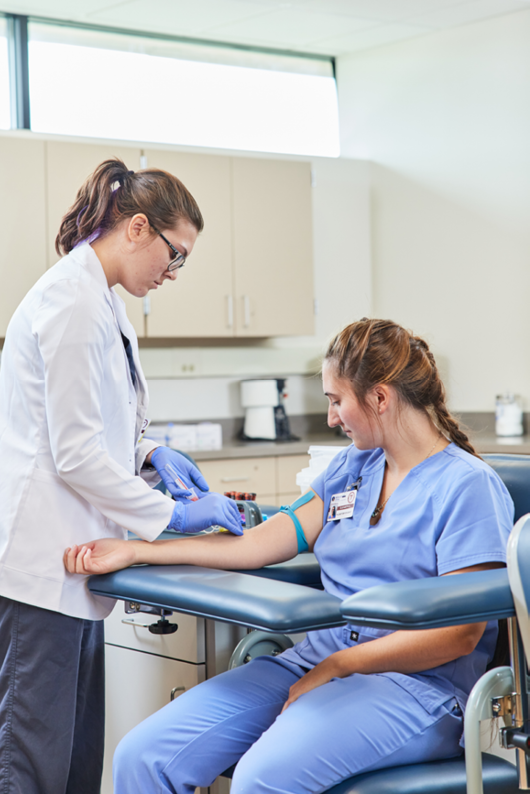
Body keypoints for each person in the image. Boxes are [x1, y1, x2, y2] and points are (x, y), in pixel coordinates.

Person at [65, 318, 514, 794]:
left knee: (262, 778)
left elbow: (460, 634)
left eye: (336, 400)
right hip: (317, 659)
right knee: (142, 756)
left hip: (415, 687)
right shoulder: (352, 468)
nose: (331, 418)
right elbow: (256, 544)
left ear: (380, 398)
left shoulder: (468, 486)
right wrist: (137, 549)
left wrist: (340, 666)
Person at [0, 158, 242, 794]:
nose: (174, 271)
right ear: (137, 227)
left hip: (73, 559)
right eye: (175, 253)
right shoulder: (69, 300)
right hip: (35, 559)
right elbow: (74, 453)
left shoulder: (104, 301)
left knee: (75, 753)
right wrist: (171, 517)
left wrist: (148, 453)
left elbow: (99, 427)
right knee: (29, 753)